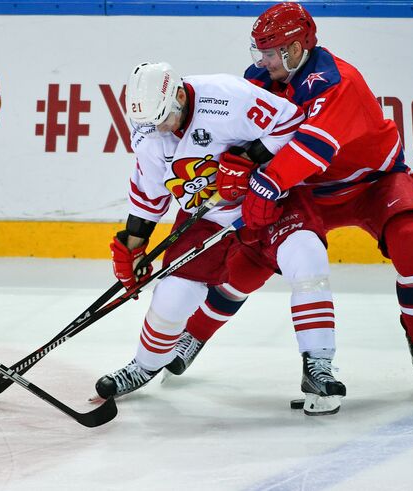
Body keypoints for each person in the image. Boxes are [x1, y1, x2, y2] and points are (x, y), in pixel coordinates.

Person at [167, 2, 413, 396]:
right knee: (250, 264)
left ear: (297, 48)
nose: (262, 61)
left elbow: (311, 149)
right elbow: (239, 133)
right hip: (306, 191)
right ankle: (193, 335)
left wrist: (262, 182)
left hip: (372, 183)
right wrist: (234, 163)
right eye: (260, 52)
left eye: (270, 53)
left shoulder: (339, 82)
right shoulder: (260, 78)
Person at [95, 61, 346, 415]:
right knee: (172, 295)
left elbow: (291, 122)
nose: (158, 130)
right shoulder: (150, 130)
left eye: (164, 118)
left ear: (179, 95)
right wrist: (133, 248)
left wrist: (247, 158)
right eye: (149, 123)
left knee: (307, 260)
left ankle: (318, 364)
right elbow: (150, 195)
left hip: (272, 198)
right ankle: (144, 365)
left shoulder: (227, 96)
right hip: (209, 215)